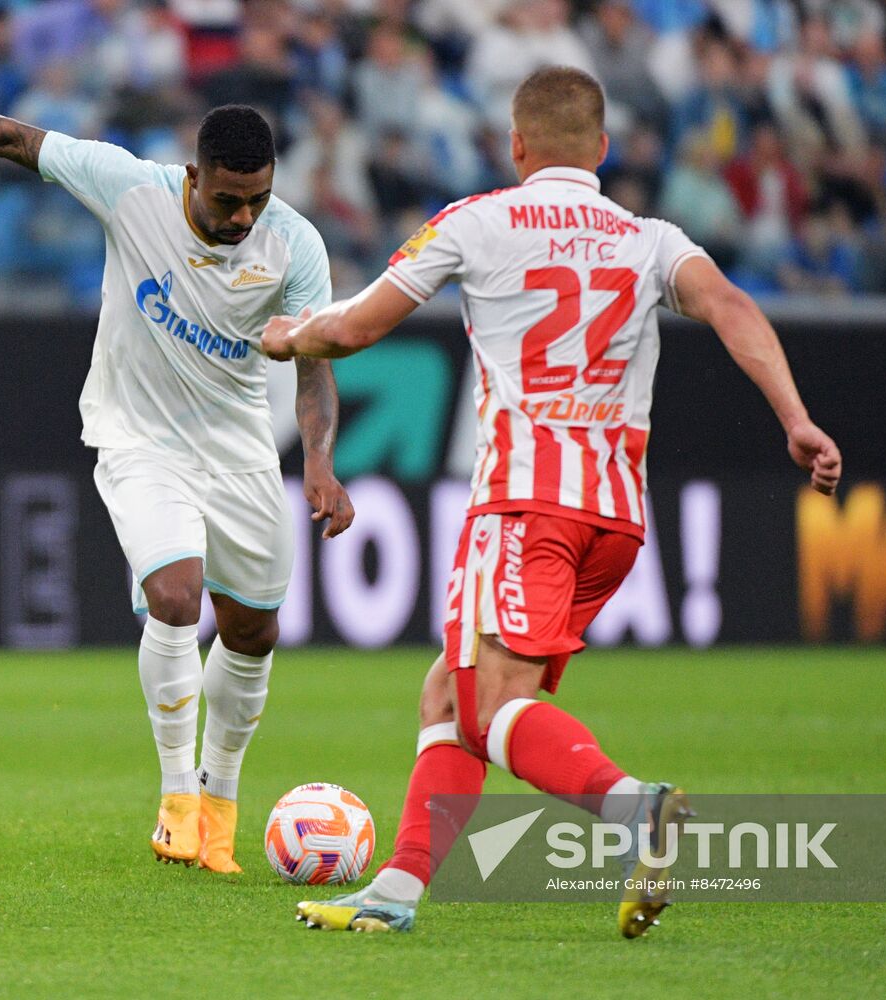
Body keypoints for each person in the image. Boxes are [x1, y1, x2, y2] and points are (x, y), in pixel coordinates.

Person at [262, 66, 841, 938]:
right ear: (603, 150)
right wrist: (795, 419)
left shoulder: (478, 220)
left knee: (487, 706)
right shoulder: (651, 238)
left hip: (524, 503)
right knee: (450, 702)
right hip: (613, 517)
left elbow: (351, 328)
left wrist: (286, 335)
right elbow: (730, 305)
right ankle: (397, 892)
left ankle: (632, 809)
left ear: (517, 144)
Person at [0, 99, 354, 874]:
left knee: (253, 632)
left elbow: (314, 365)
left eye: (257, 200)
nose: (242, 216)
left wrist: (318, 461)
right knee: (175, 595)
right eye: (227, 199)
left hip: (236, 449)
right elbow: (12, 138)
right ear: (193, 174)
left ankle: (219, 798)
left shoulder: (295, 245)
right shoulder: (129, 188)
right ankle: (176, 800)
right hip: (135, 437)